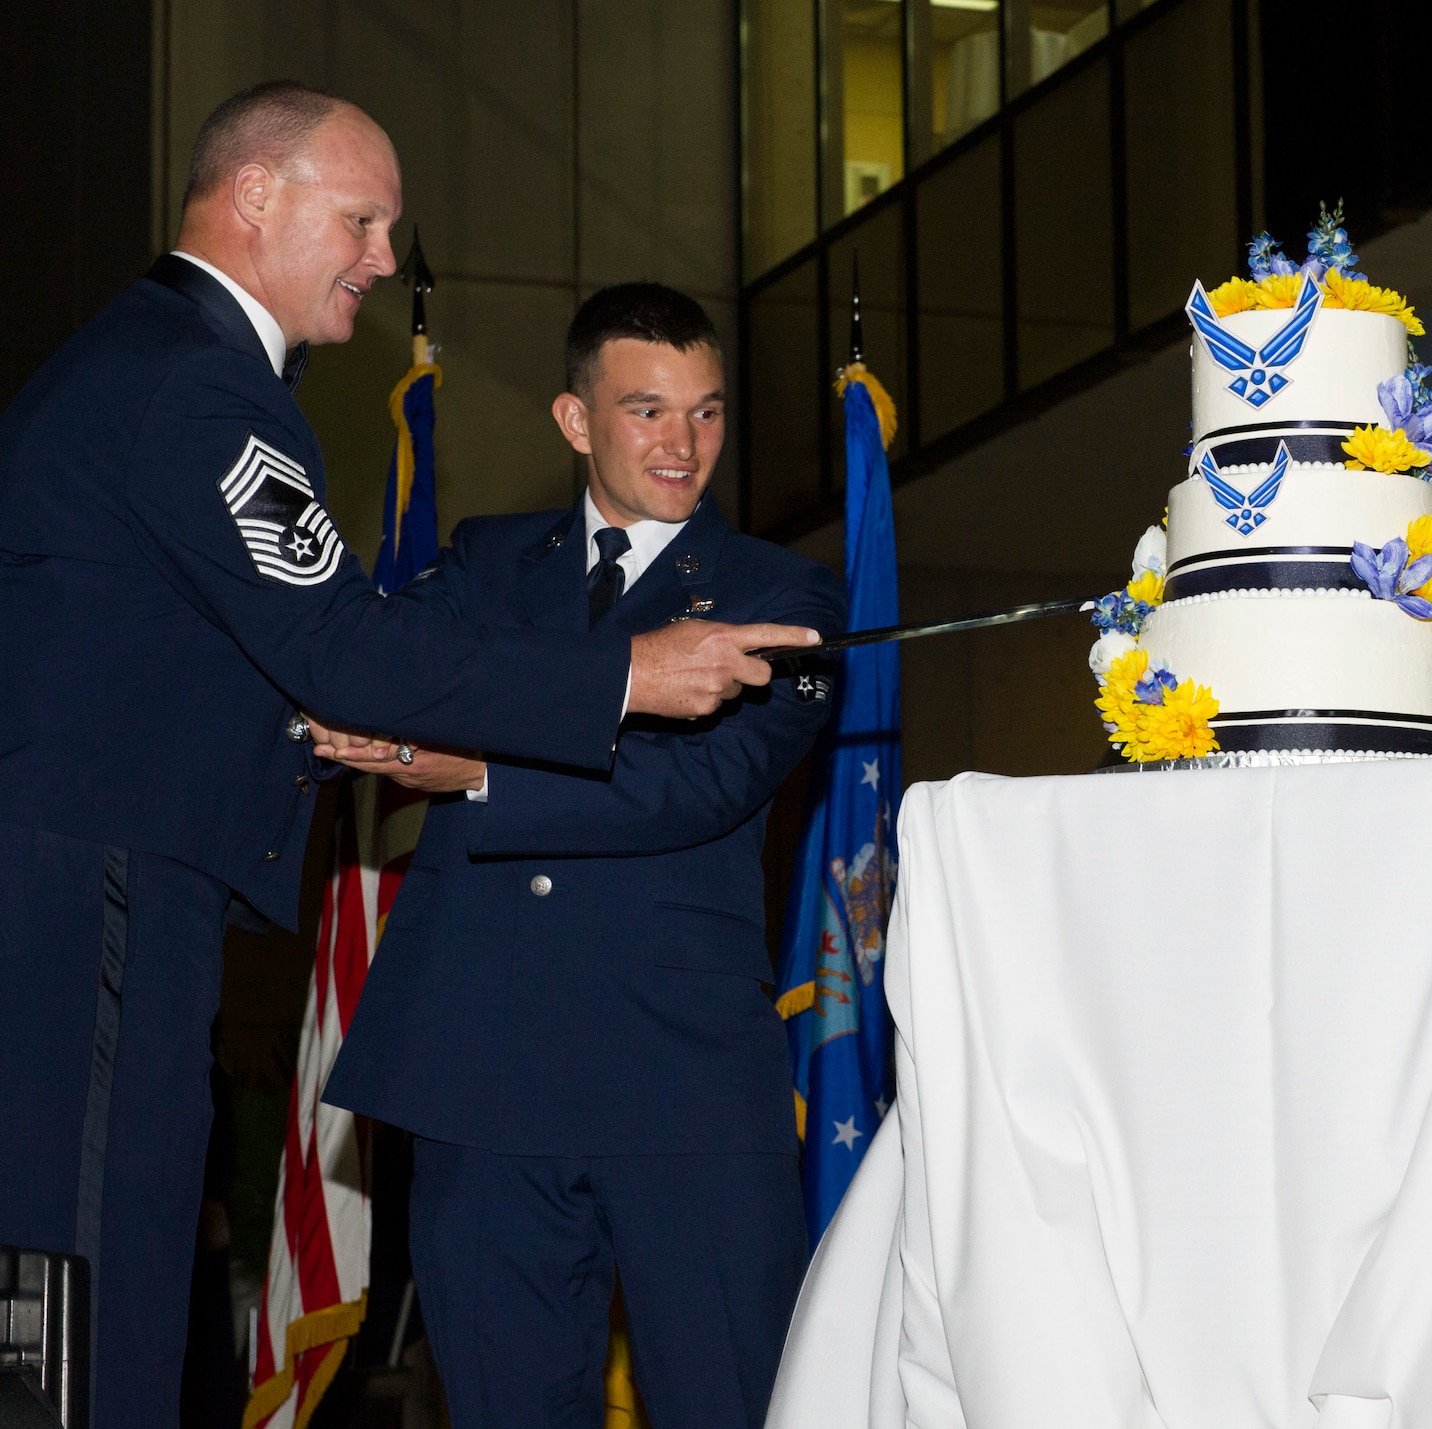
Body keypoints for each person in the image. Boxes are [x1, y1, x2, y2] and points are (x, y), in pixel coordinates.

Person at [0, 83, 820, 1426]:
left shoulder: (148, 363)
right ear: (256, 197)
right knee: (89, 1282)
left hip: (113, 875)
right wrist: (626, 674)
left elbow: (286, 661)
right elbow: (342, 642)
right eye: (363, 220)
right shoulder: (199, 386)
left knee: (95, 1272)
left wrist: (383, 735)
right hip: (102, 882)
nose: (384, 259)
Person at [319, 283, 841, 1429]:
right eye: (647, 410)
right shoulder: (485, 562)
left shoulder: (780, 593)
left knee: (731, 1401)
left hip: (682, 1084)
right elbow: (382, 677)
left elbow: (699, 783)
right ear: (574, 419)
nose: (682, 443)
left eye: (705, 411)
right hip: (482, 1077)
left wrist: (481, 765)